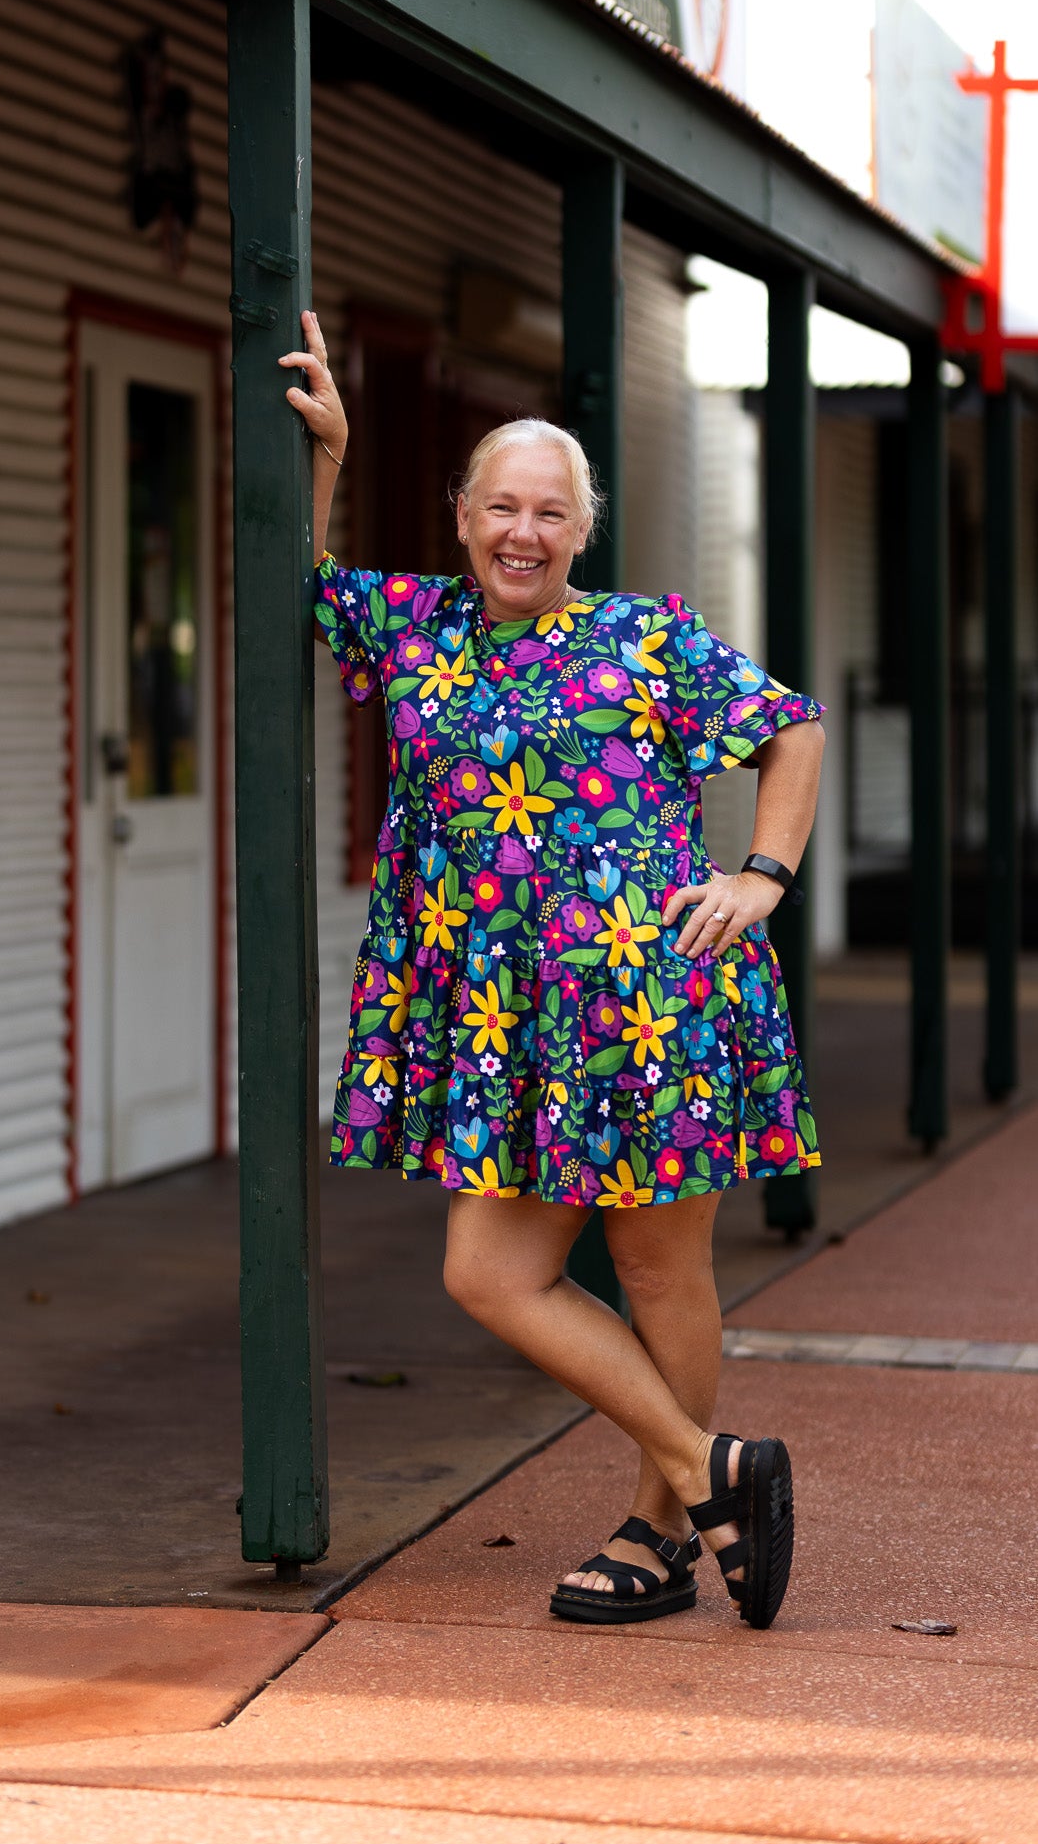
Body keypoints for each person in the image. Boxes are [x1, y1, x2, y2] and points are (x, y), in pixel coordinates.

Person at [280, 310, 825, 1630]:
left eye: (550, 513)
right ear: (462, 517)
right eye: (500, 508)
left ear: (581, 532)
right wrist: (329, 455)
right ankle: (713, 1473)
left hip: (648, 999)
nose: (523, 533)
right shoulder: (408, 630)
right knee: (491, 1272)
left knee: (654, 1270)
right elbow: (290, 578)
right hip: (498, 1015)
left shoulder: (649, 639)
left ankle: (659, 1531)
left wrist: (761, 875)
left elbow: (789, 731)